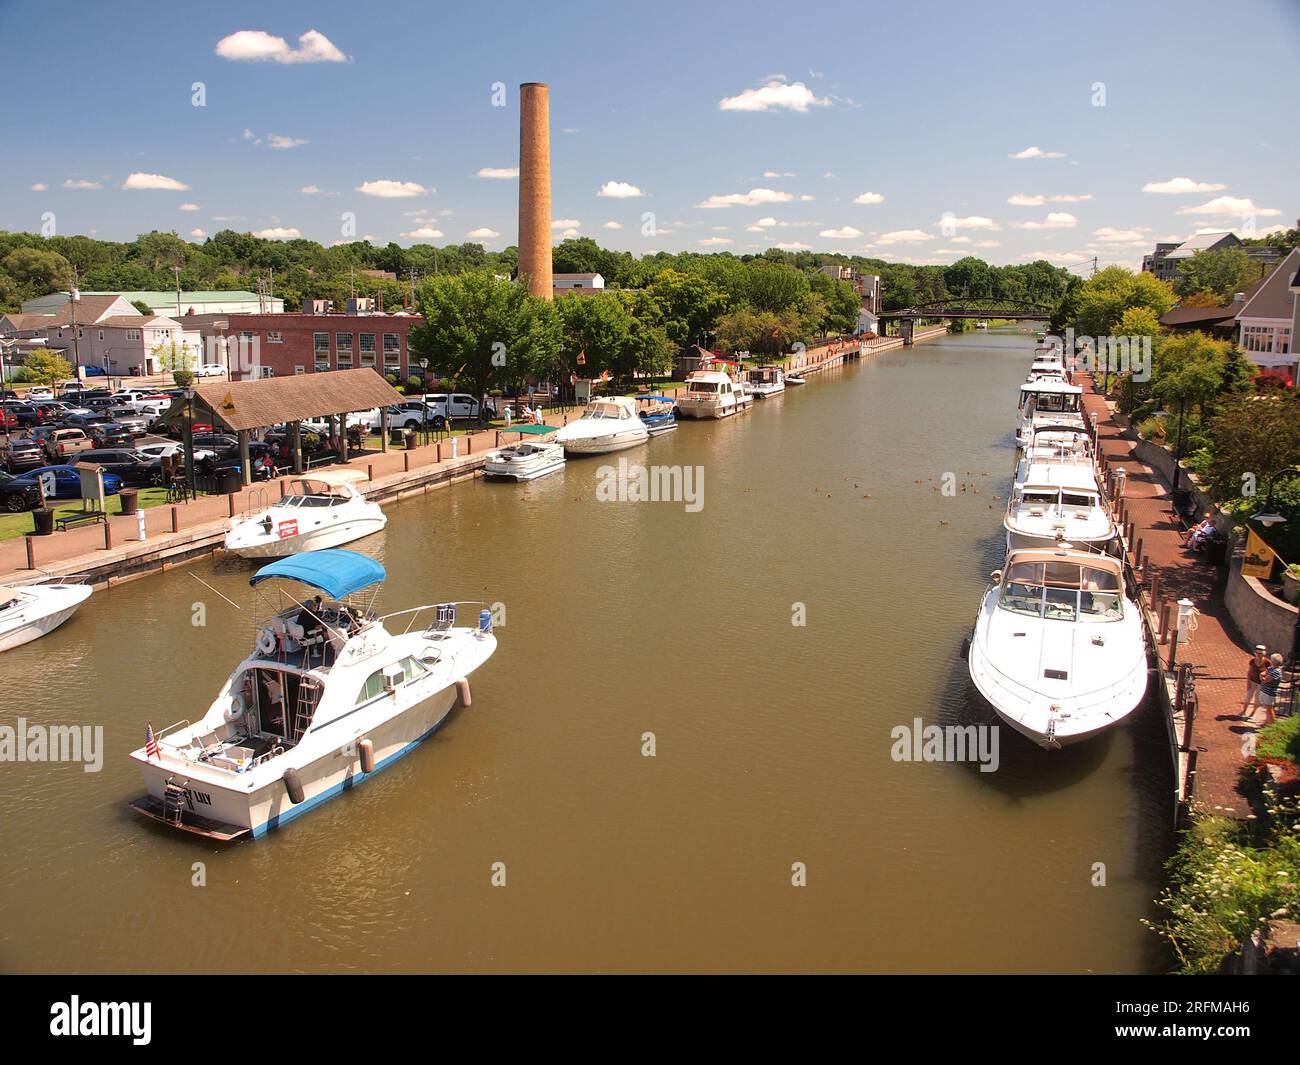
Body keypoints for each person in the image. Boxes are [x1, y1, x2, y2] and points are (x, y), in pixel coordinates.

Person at [1257, 653, 1284, 727]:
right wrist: (1262, 675)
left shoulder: (1276, 672)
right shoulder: (1271, 668)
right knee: (1267, 708)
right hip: (1265, 690)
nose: (1270, 660)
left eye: (1271, 660)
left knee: (1269, 709)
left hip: (1269, 693)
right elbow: (1264, 673)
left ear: (1274, 661)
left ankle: (1272, 724)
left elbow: (1265, 679)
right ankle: (1266, 722)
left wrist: (1261, 676)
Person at [1242, 645, 1270, 719]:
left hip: (1261, 684)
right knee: (1248, 697)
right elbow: (1249, 672)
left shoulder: (1267, 662)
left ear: (1263, 654)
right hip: (1253, 681)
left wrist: (1264, 676)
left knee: (1257, 699)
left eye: (1260, 653)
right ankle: (1243, 711)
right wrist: (1248, 682)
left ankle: (1253, 712)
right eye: (1257, 653)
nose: (1258, 655)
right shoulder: (1252, 661)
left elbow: (1269, 673)